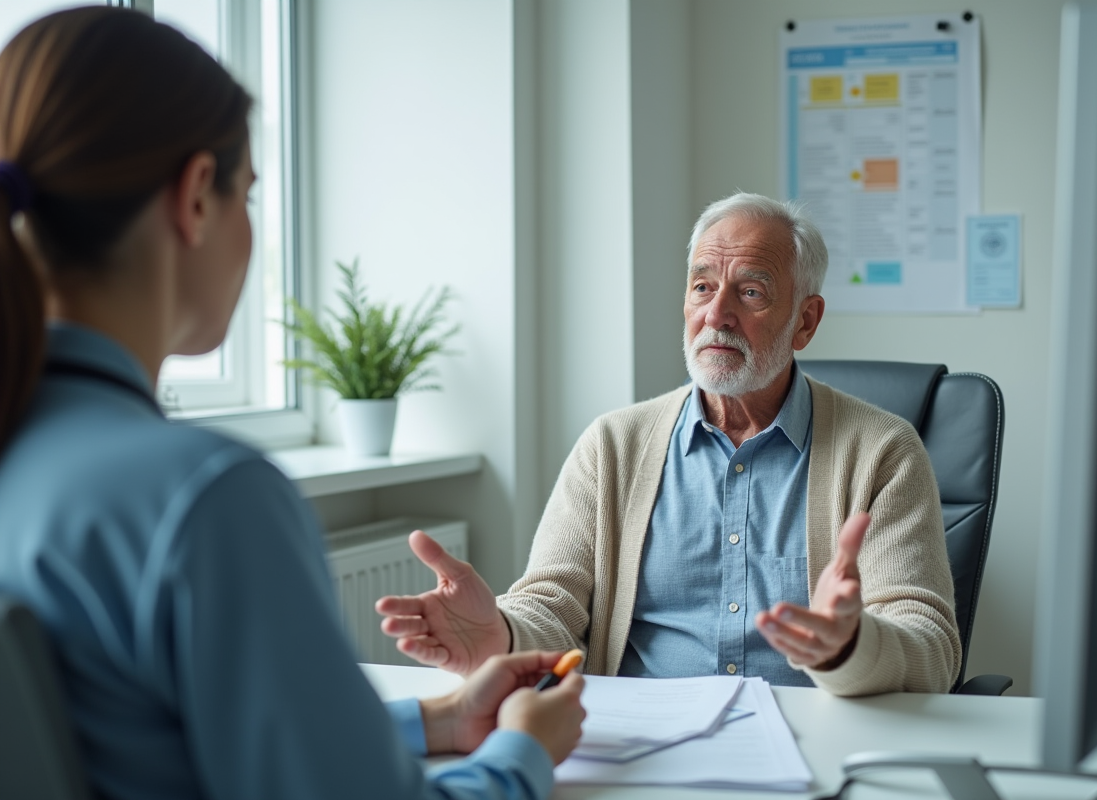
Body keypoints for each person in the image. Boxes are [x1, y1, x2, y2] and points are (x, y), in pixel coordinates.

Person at [0, 8, 583, 800]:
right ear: (197, 195)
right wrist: (523, 756)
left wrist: (437, 720)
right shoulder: (202, 499)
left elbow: (142, 743)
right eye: (249, 194)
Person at [377, 192, 961, 697]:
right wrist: (499, 633)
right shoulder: (613, 445)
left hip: (815, 747)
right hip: (644, 746)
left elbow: (931, 649)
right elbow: (552, 606)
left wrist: (854, 643)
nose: (717, 314)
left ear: (805, 322)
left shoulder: (884, 451)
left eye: (751, 292)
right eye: (702, 286)